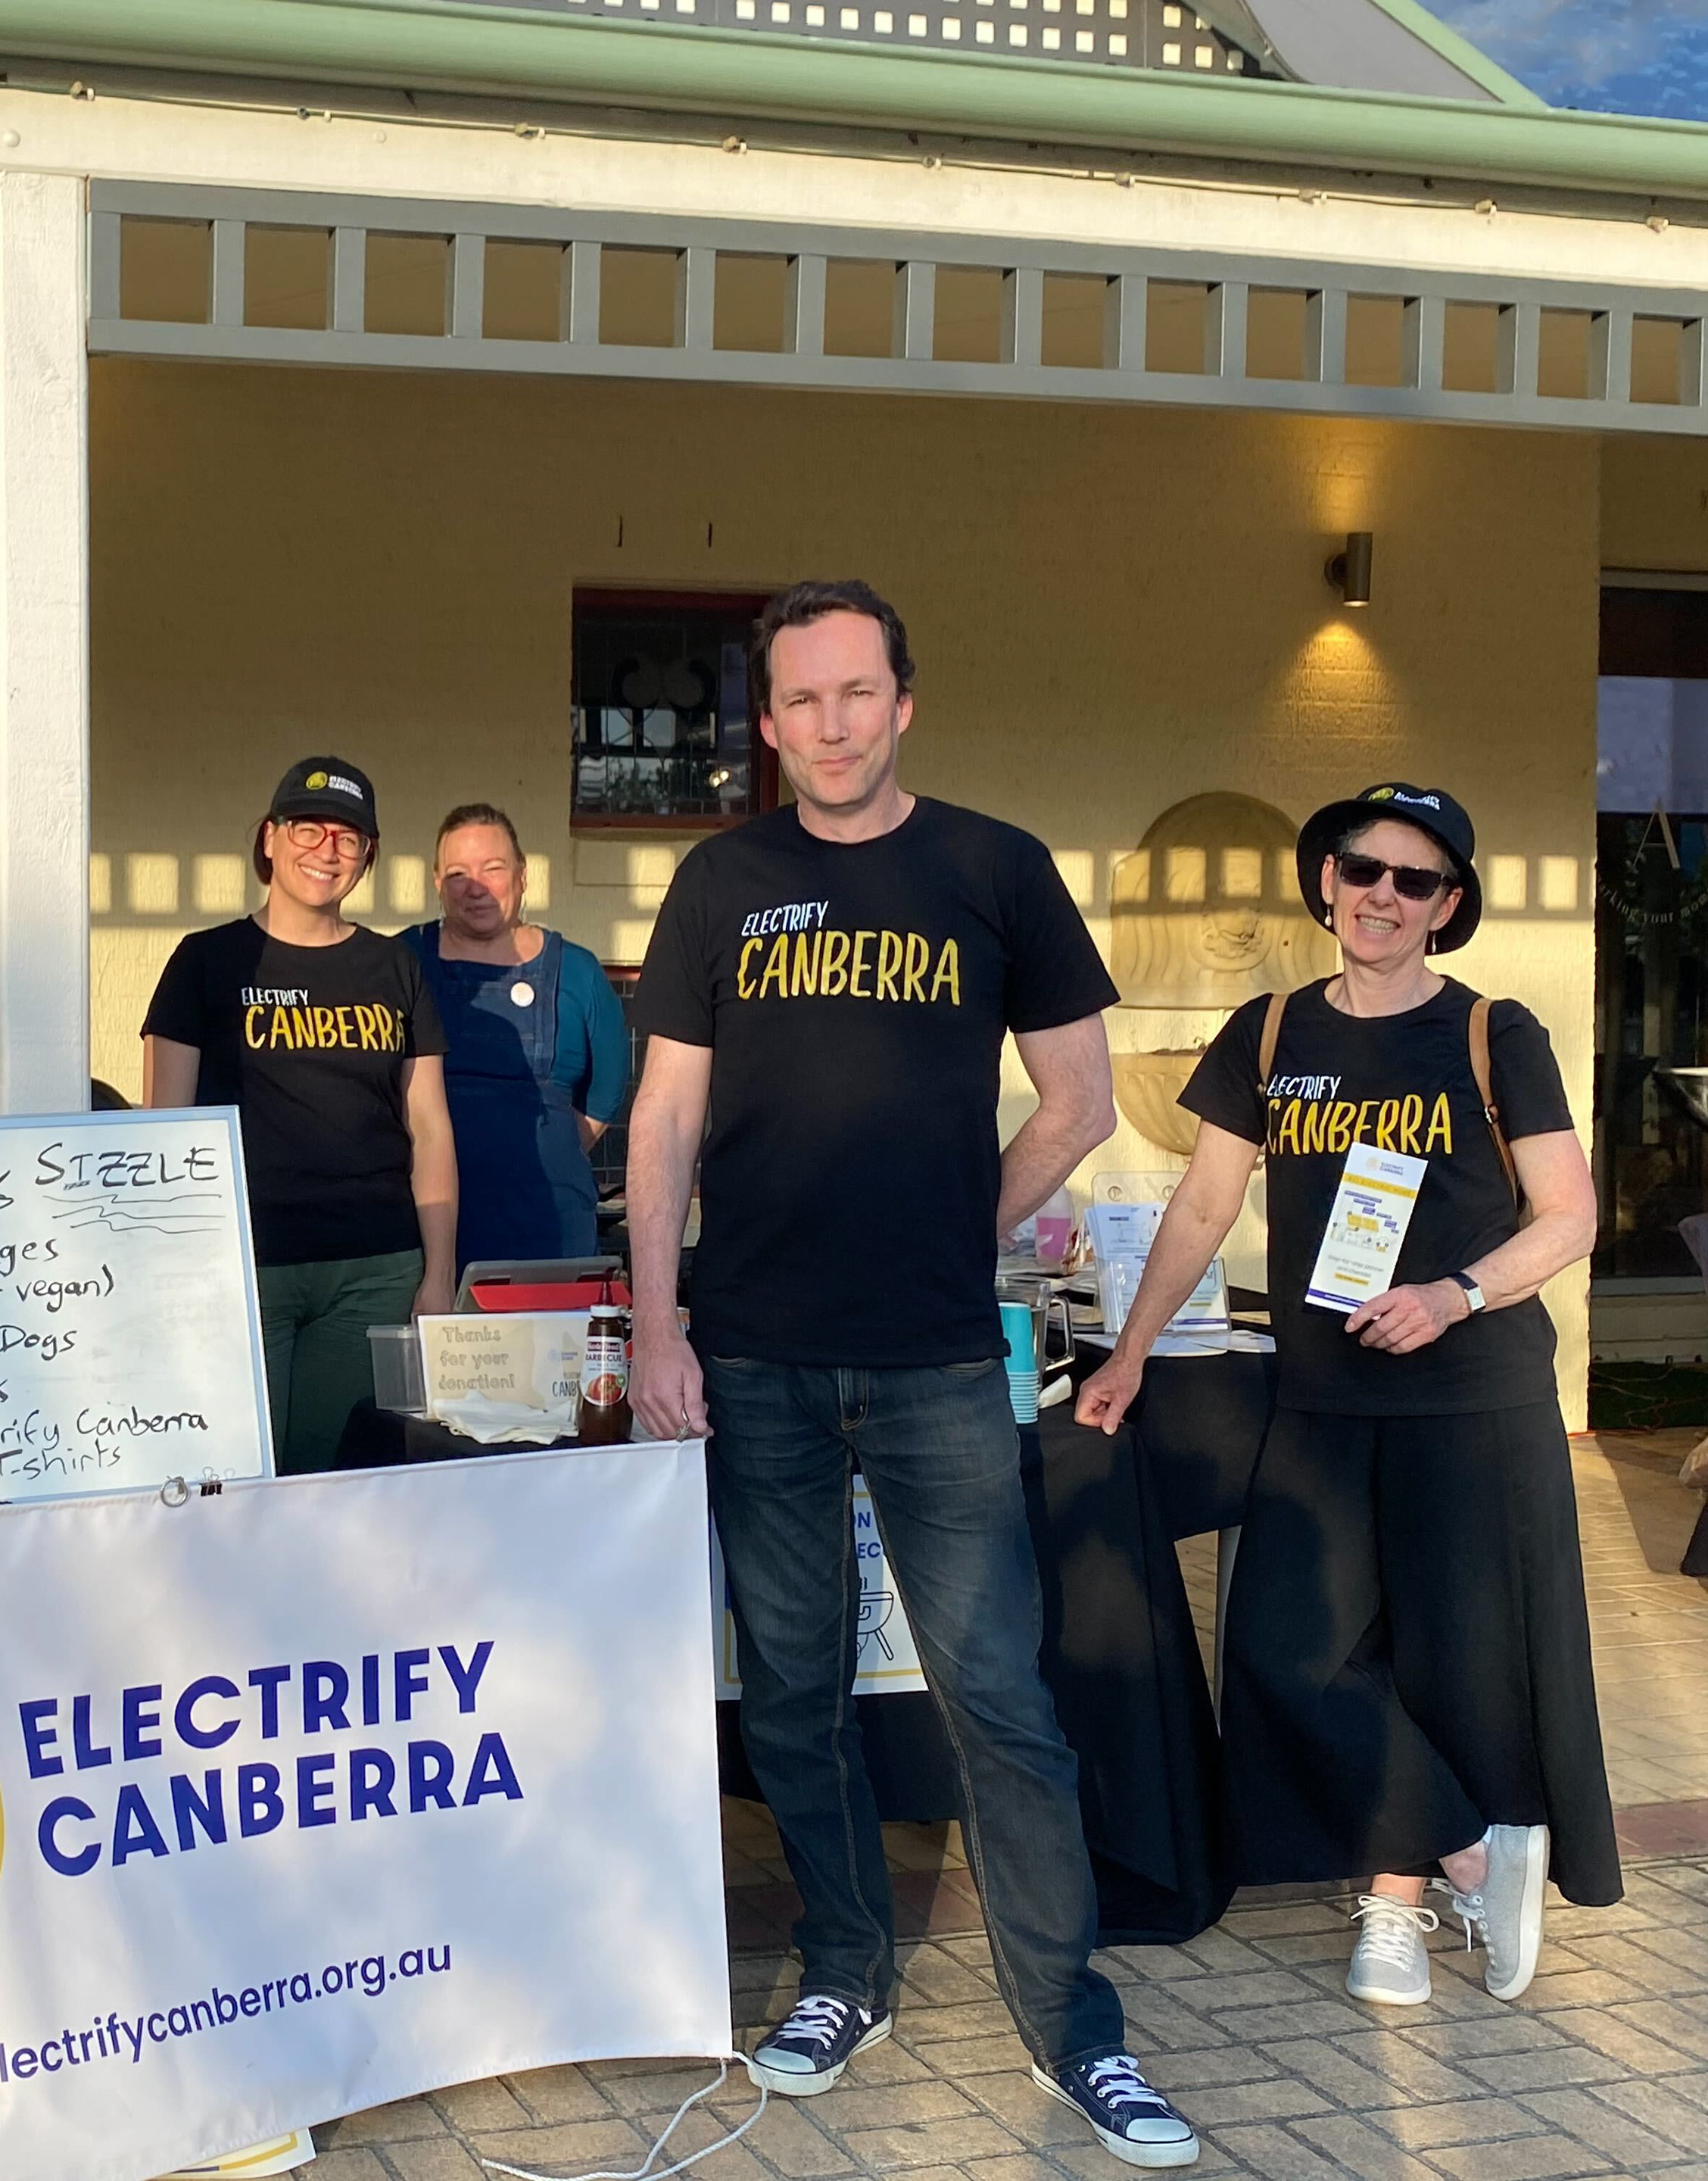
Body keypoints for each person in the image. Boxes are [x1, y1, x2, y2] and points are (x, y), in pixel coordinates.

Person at [628, 581, 1199, 2170]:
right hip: (755, 1354)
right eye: (801, 700)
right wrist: (661, 1326)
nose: (832, 725)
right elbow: (666, 1118)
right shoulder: (723, 881)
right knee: (792, 1691)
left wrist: (965, 1232)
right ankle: (845, 1970)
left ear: (904, 701)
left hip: (940, 1359)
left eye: (857, 692)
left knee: (999, 1698)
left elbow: (1080, 1099)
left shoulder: (995, 868)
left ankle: (1073, 2031)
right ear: (768, 724)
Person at [1076, 783, 1614, 2008]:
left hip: (1472, 1404)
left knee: (1449, 1660)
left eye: (1415, 881)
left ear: (1448, 905)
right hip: (1321, 1400)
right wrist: (1130, 1350)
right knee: (1287, 1651)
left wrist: (1455, 1295)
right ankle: (1474, 1847)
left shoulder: (1494, 1035)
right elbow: (1204, 1204)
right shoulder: (1269, 1034)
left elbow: (1569, 1217)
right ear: (1327, 882)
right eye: (1364, 869)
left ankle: (1393, 1903)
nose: (1383, 896)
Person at [142, 757, 457, 1473]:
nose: (327, 851)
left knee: (336, 1478)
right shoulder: (206, 962)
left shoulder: (396, 968)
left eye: (348, 838)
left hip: (374, 1270)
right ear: (270, 838)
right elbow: (165, 1130)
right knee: (234, 1472)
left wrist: (438, 1274)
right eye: (308, 829)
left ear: (368, 856)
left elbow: (431, 1128)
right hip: (241, 1266)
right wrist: (170, 1269)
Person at [402, 803, 631, 1268]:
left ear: (522, 876)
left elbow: (606, 1093)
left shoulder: (579, 971)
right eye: (458, 874)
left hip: (551, 1234)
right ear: (436, 882)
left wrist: (541, 1149)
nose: (477, 887)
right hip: (422, 1237)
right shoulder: (401, 961)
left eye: (494, 868)